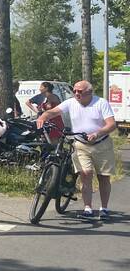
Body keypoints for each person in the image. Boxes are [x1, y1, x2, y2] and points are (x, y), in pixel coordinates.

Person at [36, 81, 117, 219]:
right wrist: (43, 116)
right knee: (85, 174)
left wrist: (97, 133)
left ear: (89, 92)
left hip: (101, 144)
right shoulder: (71, 102)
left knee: (103, 177)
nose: (76, 94)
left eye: (80, 91)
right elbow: (53, 112)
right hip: (80, 144)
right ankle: (88, 208)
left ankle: (104, 208)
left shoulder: (101, 103)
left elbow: (112, 124)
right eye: (75, 91)